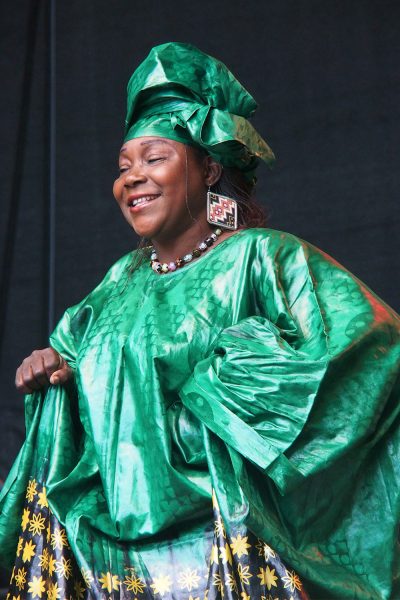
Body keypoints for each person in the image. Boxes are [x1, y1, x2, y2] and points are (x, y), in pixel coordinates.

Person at [0, 42, 399, 600]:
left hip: (220, 548)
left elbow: (369, 344)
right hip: (109, 559)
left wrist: (214, 405)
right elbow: (82, 374)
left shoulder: (261, 258)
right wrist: (54, 376)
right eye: (123, 167)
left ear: (208, 167)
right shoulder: (119, 284)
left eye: (154, 158)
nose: (131, 178)